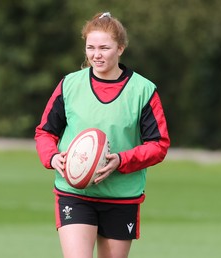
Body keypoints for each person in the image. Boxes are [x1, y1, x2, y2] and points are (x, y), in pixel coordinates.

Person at [34, 11, 170, 258]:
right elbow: (44, 132)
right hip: (74, 193)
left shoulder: (143, 90)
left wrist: (121, 160)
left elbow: (158, 145)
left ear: (120, 48)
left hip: (121, 196)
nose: (96, 55)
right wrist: (52, 158)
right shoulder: (70, 84)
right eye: (90, 47)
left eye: (104, 48)